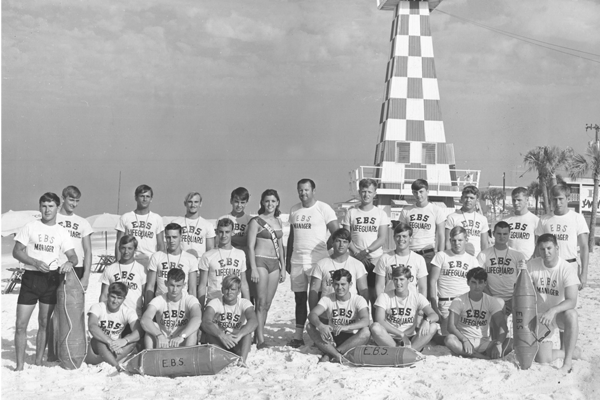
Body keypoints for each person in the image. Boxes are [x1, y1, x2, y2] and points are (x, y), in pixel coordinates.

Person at [12, 192, 78, 371]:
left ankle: (39, 360)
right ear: (40, 207)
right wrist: (34, 261)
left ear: (58, 207)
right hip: (31, 278)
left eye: (51, 206)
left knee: (44, 323)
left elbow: (74, 256)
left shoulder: (61, 231)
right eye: (44, 206)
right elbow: (17, 251)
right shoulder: (30, 227)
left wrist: (68, 263)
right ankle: (19, 366)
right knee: (20, 325)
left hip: (51, 279)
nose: (47, 210)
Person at [286, 178, 340, 347]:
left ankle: (319, 334)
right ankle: (298, 336)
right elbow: (292, 237)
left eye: (306, 190)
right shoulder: (294, 210)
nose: (303, 193)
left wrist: (328, 249)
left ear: (313, 190)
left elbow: (337, 233)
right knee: (299, 299)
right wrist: (288, 259)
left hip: (317, 261)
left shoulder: (323, 208)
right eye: (300, 190)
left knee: (317, 299)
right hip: (297, 261)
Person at [527, 234, 581, 373]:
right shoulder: (532, 265)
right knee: (542, 359)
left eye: (549, 248)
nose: (546, 252)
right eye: (542, 249)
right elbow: (523, 293)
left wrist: (553, 311)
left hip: (558, 315)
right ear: (538, 250)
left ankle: (567, 362)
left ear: (557, 248)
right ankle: (573, 352)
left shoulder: (567, 268)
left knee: (572, 315)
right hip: (541, 316)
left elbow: (572, 301)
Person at [246, 189, 286, 349]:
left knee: (268, 304)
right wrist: (254, 268)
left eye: (273, 201)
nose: (270, 204)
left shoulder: (279, 221)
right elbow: (249, 246)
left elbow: (281, 246)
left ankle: (258, 333)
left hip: (274, 264)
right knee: (260, 302)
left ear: (277, 203)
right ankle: (261, 338)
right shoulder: (256, 221)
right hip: (260, 261)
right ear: (262, 202)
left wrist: (283, 267)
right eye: (267, 201)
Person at [445, 267, 512, 359]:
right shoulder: (458, 300)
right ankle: (480, 356)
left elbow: (501, 324)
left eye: (480, 282)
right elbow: (451, 326)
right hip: (464, 341)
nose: (477, 286)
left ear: (485, 283)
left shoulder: (490, 301)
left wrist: (498, 343)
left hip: (484, 342)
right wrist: (464, 340)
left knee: (511, 342)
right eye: (474, 282)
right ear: (468, 282)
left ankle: (475, 354)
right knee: (449, 340)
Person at [341, 178, 389, 305]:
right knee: (356, 294)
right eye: (363, 191)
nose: (366, 195)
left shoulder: (381, 213)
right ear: (359, 192)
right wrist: (357, 253)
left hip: (374, 259)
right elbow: (346, 236)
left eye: (369, 191)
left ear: (374, 193)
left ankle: (375, 323)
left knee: (374, 294)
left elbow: (382, 238)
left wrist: (367, 251)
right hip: (355, 258)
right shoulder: (351, 213)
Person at [307, 269, 371, 363]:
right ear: (332, 284)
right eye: (336, 284)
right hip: (332, 336)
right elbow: (312, 314)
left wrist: (346, 327)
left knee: (366, 332)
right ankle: (337, 355)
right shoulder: (327, 299)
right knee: (309, 326)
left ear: (350, 284)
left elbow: (366, 320)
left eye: (343, 284)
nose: (339, 287)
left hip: (352, 337)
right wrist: (321, 326)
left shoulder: (358, 300)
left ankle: (331, 354)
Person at [370, 267, 439, 350]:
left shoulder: (417, 297)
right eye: (395, 279)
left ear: (409, 280)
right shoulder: (384, 296)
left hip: (410, 338)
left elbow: (434, 315)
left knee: (433, 326)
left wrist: (427, 320)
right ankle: (400, 351)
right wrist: (401, 334)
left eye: (401, 279)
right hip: (389, 337)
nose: (398, 283)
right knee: (375, 327)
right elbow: (379, 320)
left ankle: (409, 351)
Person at [535, 183, 589, 290]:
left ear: (567, 198)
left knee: (570, 303)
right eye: (554, 199)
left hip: (570, 265)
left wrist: (584, 273)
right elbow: (538, 247)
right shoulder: (544, 219)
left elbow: (584, 247)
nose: (558, 203)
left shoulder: (577, 218)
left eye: (561, 199)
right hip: (548, 267)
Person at [429, 226, 479, 337]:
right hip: (447, 303)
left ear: (466, 240)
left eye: (460, 240)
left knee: (469, 338)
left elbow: (477, 285)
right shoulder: (441, 256)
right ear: (450, 240)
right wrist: (434, 306)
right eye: (454, 240)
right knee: (449, 339)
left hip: (466, 303)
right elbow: (432, 281)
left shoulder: (472, 260)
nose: (457, 243)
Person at [399, 179, 446, 287]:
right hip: (410, 253)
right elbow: (401, 232)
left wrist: (440, 254)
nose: (418, 195)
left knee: (428, 286)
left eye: (421, 191)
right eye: (415, 192)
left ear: (427, 191)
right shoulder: (406, 210)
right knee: (410, 285)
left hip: (428, 253)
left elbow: (441, 235)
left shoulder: (436, 210)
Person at [85, 282, 141, 371]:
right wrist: (109, 342)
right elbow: (92, 326)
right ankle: (117, 366)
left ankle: (112, 361)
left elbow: (138, 332)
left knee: (132, 341)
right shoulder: (98, 307)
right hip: (96, 351)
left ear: (124, 299)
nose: (115, 301)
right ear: (108, 295)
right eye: (113, 297)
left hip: (115, 350)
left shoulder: (127, 311)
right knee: (99, 340)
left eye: (119, 298)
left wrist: (125, 340)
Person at [202, 275, 258, 363]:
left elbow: (254, 321)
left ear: (239, 291)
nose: (229, 292)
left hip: (237, 340)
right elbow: (205, 322)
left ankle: (242, 360)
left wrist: (240, 335)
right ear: (222, 290)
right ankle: (220, 357)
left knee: (247, 332)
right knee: (210, 331)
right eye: (226, 289)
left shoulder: (244, 303)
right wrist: (221, 335)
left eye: (233, 289)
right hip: (220, 340)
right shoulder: (215, 302)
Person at [309, 228, 369, 311]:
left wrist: (364, 312)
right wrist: (313, 314)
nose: (341, 245)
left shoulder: (357, 265)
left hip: (351, 313)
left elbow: (363, 291)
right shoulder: (321, 264)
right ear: (332, 243)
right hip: (327, 311)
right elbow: (313, 291)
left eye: (345, 242)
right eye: (338, 241)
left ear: (349, 244)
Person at [141, 268, 202, 349]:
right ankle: (150, 357)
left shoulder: (190, 299)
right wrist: (159, 335)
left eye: (178, 286)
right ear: (166, 283)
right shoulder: (159, 300)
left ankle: (188, 358)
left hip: (181, 341)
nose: (175, 290)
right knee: (152, 327)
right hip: (163, 341)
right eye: (172, 285)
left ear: (184, 285)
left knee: (193, 331)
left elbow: (197, 319)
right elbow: (144, 320)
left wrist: (182, 336)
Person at [477, 221, 527, 315]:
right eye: (499, 233)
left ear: (509, 235)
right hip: (492, 298)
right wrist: (491, 298)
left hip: (513, 300)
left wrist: (516, 299)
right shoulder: (483, 254)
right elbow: (480, 280)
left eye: (505, 234)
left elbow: (522, 281)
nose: (502, 236)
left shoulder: (518, 255)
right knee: (496, 329)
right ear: (493, 234)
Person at [199, 218, 250, 306]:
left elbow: (244, 283)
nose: (224, 235)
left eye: (227, 232)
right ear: (217, 232)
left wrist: (248, 305)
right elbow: (202, 285)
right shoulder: (207, 256)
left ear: (232, 232)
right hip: (214, 302)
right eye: (221, 232)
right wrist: (201, 308)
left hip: (235, 304)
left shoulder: (240, 254)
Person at [145, 223, 198, 306]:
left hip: (182, 304)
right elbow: (150, 286)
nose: (171, 240)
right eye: (168, 237)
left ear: (181, 237)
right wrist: (146, 308)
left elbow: (192, 289)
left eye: (175, 237)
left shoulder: (190, 259)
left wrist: (193, 308)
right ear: (165, 238)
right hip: (161, 303)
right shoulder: (157, 256)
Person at [115, 184, 165, 269]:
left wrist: (160, 264)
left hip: (151, 260)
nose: (145, 199)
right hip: (130, 260)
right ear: (136, 198)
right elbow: (119, 243)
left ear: (151, 199)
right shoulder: (126, 217)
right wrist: (118, 263)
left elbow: (161, 245)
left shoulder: (157, 218)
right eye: (142, 196)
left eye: (147, 196)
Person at [374, 223, 428, 299]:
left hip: (411, 303)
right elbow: (379, 286)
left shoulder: (419, 259)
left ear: (410, 238)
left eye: (404, 236)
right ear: (394, 238)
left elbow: (422, 288)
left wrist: (421, 307)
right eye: (398, 236)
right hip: (390, 302)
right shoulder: (385, 258)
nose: (401, 239)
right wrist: (382, 304)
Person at [56, 185, 93, 289]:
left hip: (76, 267)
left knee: (74, 304)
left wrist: (86, 277)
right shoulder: (53, 218)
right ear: (63, 198)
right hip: (55, 267)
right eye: (71, 200)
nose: (74, 204)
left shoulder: (83, 222)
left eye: (77, 201)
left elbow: (88, 251)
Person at [100, 235, 147, 316]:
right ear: (119, 248)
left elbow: (145, 295)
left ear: (135, 249)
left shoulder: (142, 269)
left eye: (130, 248)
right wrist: (102, 314)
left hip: (135, 315)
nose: (126, 251)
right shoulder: (110, 269)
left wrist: (144, 314)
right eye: (123, 248)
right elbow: (104, 295)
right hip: (114, 316)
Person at [220, 187, 254, 299]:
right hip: (228, 262)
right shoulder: (223, 219)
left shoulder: (250, 220)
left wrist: (234, 240)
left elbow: (251, 242)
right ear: (231, 201)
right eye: (236, 202)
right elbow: (220, 241)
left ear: (246, 203)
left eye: (242, 202)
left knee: (247, 292)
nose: (239, 205)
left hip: (247, 261)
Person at [445, 185, 489, 256]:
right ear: (462, 198)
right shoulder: (452, 217)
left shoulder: (482, 219)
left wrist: (485, 259)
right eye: (466, 197)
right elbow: (447, 241)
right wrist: (450, 257)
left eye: (471, 198)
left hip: (476, 258)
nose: (468, 200)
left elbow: (484, 243)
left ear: (477, 200)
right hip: (458, 257)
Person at [173, 192, 216, 259]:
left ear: (200, 204)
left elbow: (210, 249)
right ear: (185, 203)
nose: (193, 205)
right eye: (190, 202)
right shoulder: (176, 223)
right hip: (180, 261)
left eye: (196, 202)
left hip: (199, 262)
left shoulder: (208, 225)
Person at [502, 187, 539, 259]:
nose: (516, 203)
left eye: (519, 200)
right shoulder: (505, 220)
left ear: (527, 200)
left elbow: (539, 243)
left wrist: (533, 258)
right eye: (514, 200)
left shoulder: (535, 220)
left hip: (528, 261)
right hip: (509, 260)